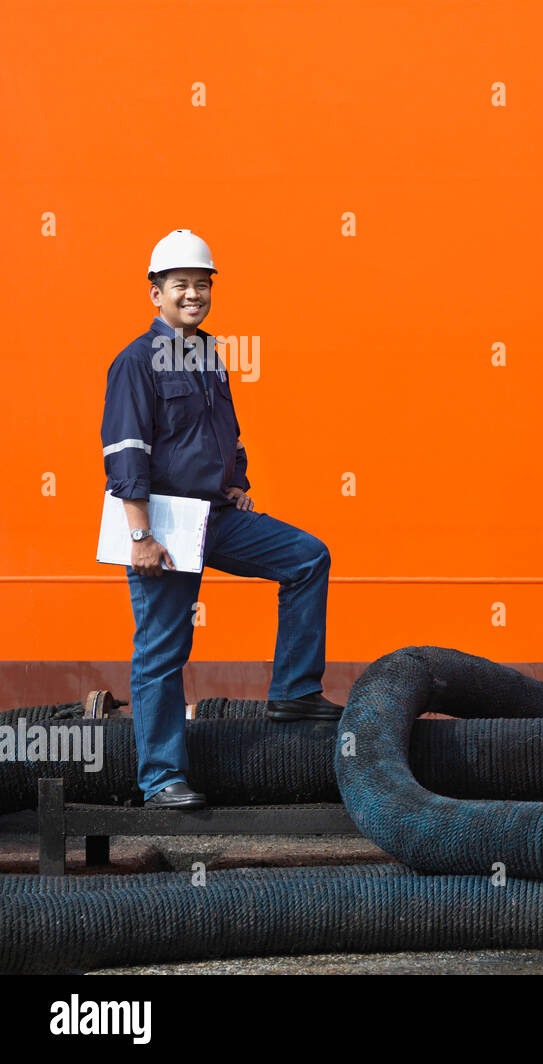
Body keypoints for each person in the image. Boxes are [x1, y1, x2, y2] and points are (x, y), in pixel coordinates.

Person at [100, 229, 343, 810]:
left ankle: (293, 692)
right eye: (179, 285)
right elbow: (125, 450)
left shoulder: (208, 354)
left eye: (201, 285)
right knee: (163, 651)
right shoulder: (135, 362)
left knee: (308, 557)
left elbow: (224, 432)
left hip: (214, 515)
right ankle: (162, 780)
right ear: (154, 292)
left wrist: (236, 482)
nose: (193, 295)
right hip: (162, 524)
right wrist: (140, 534)